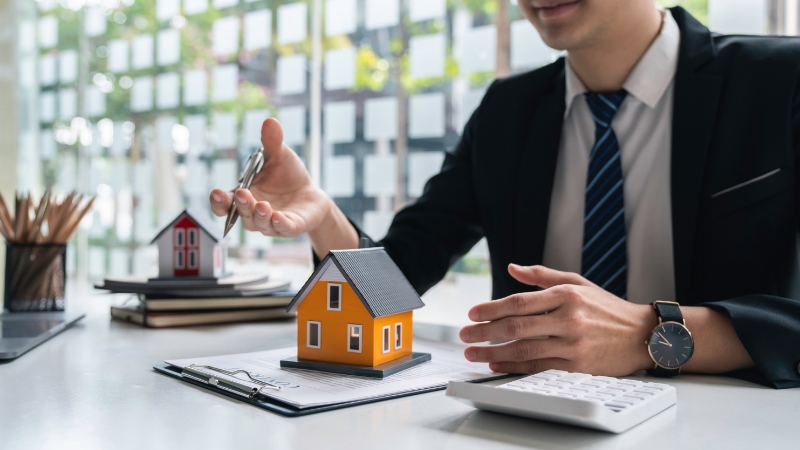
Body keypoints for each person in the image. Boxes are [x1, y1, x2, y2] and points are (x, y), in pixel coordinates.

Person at [210, 1, 800, 388]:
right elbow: (399, 277)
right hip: (530, 427)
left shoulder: (780, 81)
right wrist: (321, 214)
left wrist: (652, 334)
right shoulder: (507, 113)